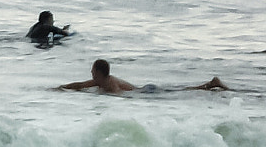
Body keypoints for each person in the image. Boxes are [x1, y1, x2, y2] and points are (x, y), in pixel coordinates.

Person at [58, 59, 228, 94]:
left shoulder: (110, 84)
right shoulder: (101, 81)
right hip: (145, 90)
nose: (91, 74)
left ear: (100, 74)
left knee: (181, 91)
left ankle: (211, 84)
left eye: (93, 71)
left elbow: (122, 95)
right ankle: (210, 84)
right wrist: (62, 88)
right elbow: (80, 85)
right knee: (179, 90)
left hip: (147, 92)